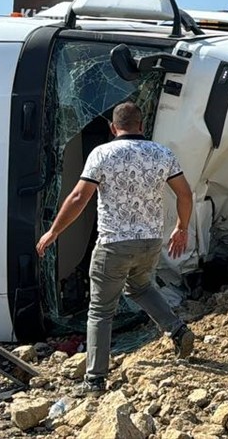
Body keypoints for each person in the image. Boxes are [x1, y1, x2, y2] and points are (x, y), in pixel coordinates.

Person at [36, 102, 196, 396]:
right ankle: (177, 330)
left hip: (113, 244)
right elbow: (185, 193)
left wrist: (54, 231)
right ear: (141, 125)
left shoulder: (103, 153)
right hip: (149, 242)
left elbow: (78, 198)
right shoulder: (162, 153)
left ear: (113, 127)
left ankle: (95, 379)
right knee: (139, 287)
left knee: (100, 310)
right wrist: (181, 227)